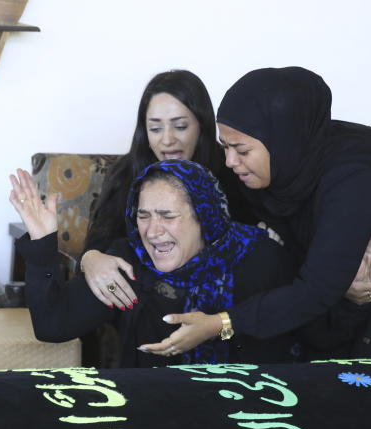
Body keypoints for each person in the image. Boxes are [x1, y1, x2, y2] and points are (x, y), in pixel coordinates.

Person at [188, 66, 371, 360]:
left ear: (281, 141)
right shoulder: (279, 165)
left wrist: (219, 325)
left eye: (241, 150)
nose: (229, 161)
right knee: (328, 343)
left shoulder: (352, 178)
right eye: (224, 146)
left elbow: (317, 289)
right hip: (366, 234)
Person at [9, 159, 315, 367]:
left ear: (204, 218)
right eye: (143, 216)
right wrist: (42, 246)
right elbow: (53, 325)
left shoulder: (259, 257)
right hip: (148, 413)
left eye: (168, 216)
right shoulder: (127, 262)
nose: (153, 232)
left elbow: (305, 341)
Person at [79, 70, 254, 310]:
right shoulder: (126, 174)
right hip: (147, 303)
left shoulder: (232, 169)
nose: (168, 140)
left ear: (201, 126)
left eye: (180, 126)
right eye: (156, 128)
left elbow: (252, 244)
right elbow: (99, 246)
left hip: (222, 308)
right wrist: (90, 259)